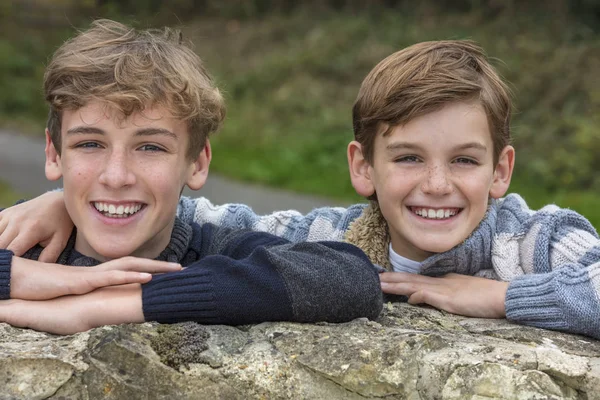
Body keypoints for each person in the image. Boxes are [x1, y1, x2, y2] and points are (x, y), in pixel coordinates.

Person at [3, 40, 600, 339]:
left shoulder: (534, 239)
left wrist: (496, 298)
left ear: (501, 170)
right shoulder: (333, 235)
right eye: (409, 158)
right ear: (363, 168)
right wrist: (63, 205)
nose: (436, 184)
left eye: (465, 161)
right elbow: (187, 216)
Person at [0, 19, 383, 335]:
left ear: (197, 163)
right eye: (89, 144)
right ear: (54, 154)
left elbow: (349, 277)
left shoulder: (218, 250)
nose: (116, 177)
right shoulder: (21, 241)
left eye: (150, 147)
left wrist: (112, 303)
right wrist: (19, 277)